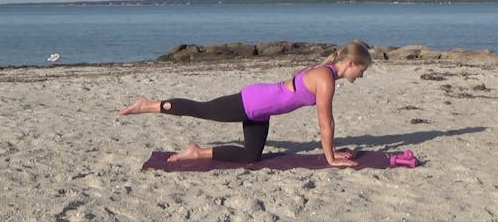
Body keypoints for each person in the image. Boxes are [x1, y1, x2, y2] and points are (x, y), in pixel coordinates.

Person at [119, 40, 372, 167]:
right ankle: (148, 105)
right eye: (361, 71)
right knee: (201, 109)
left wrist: (332, 152)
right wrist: (330, 157)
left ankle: (196, 152)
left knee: (251, 156)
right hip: (253, 102)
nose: (360, 76)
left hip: (263, 112)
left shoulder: (325, 72)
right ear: (351, 64)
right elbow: (325, 122)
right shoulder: (325, 78)